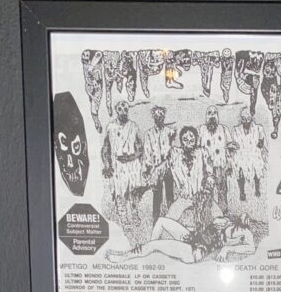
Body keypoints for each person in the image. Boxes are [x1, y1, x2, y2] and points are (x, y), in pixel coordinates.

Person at [105, 211, 256, 265]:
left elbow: (251, 248)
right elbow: (207, 231)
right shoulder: (229, 221)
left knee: (155, 245)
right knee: (161, 221)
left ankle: (123, 258)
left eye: (246, 218)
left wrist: (227, 249)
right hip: (192, 238)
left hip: (194, 250)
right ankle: (149, 251)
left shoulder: (246, 233)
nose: (244, 216)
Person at [101, 100, 144, 247]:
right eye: (120, 109)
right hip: (118, 165)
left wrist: (131, 157)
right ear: (116, 110)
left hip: (132, 165)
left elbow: (140, 147)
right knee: (120, 194)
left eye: (125, 109)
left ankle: (135, 214)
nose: (123, 112)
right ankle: (124, 220)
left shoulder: (133, 126)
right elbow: (105, 148)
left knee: (133, 192)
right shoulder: (110, 127)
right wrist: (107, 165)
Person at [142, 105, 176, 221]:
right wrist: (148, 167)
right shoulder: (149, 133)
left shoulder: (169, 132)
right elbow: (147, 151)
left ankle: (172, 217)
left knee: (170, 193)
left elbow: (173, 148)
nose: (159, 117)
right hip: (155, 167)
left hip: (167, 166)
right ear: (153, 117)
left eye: (161, 115)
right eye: (156, 115)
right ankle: (156, 218)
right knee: (157, 195)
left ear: (164, 116)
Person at [198, 106, 232, 210]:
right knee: (207, 190)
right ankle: (208, 212)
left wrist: (229, 164)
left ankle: (223, 211)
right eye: (209, 113)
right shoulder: (200, 130)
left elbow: (230, 147)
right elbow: (197, 148)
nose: (212, 116)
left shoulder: (224, 129)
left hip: (220, 166)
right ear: (206, 116)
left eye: (214, 113)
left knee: (222, 190)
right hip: (206, 167)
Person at [231, 107, 267, 202]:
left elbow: (261, 143)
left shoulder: (258, 128)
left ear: (251, 118)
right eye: (244, 119)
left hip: (253, 154)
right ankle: (242, 192)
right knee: (239, 170)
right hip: (241, 154)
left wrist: (259, 143)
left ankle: (257, 189)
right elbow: (234, 144)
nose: (246, 121)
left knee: (256, 168)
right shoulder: (236, 130)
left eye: (248, 119)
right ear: (241, 119)